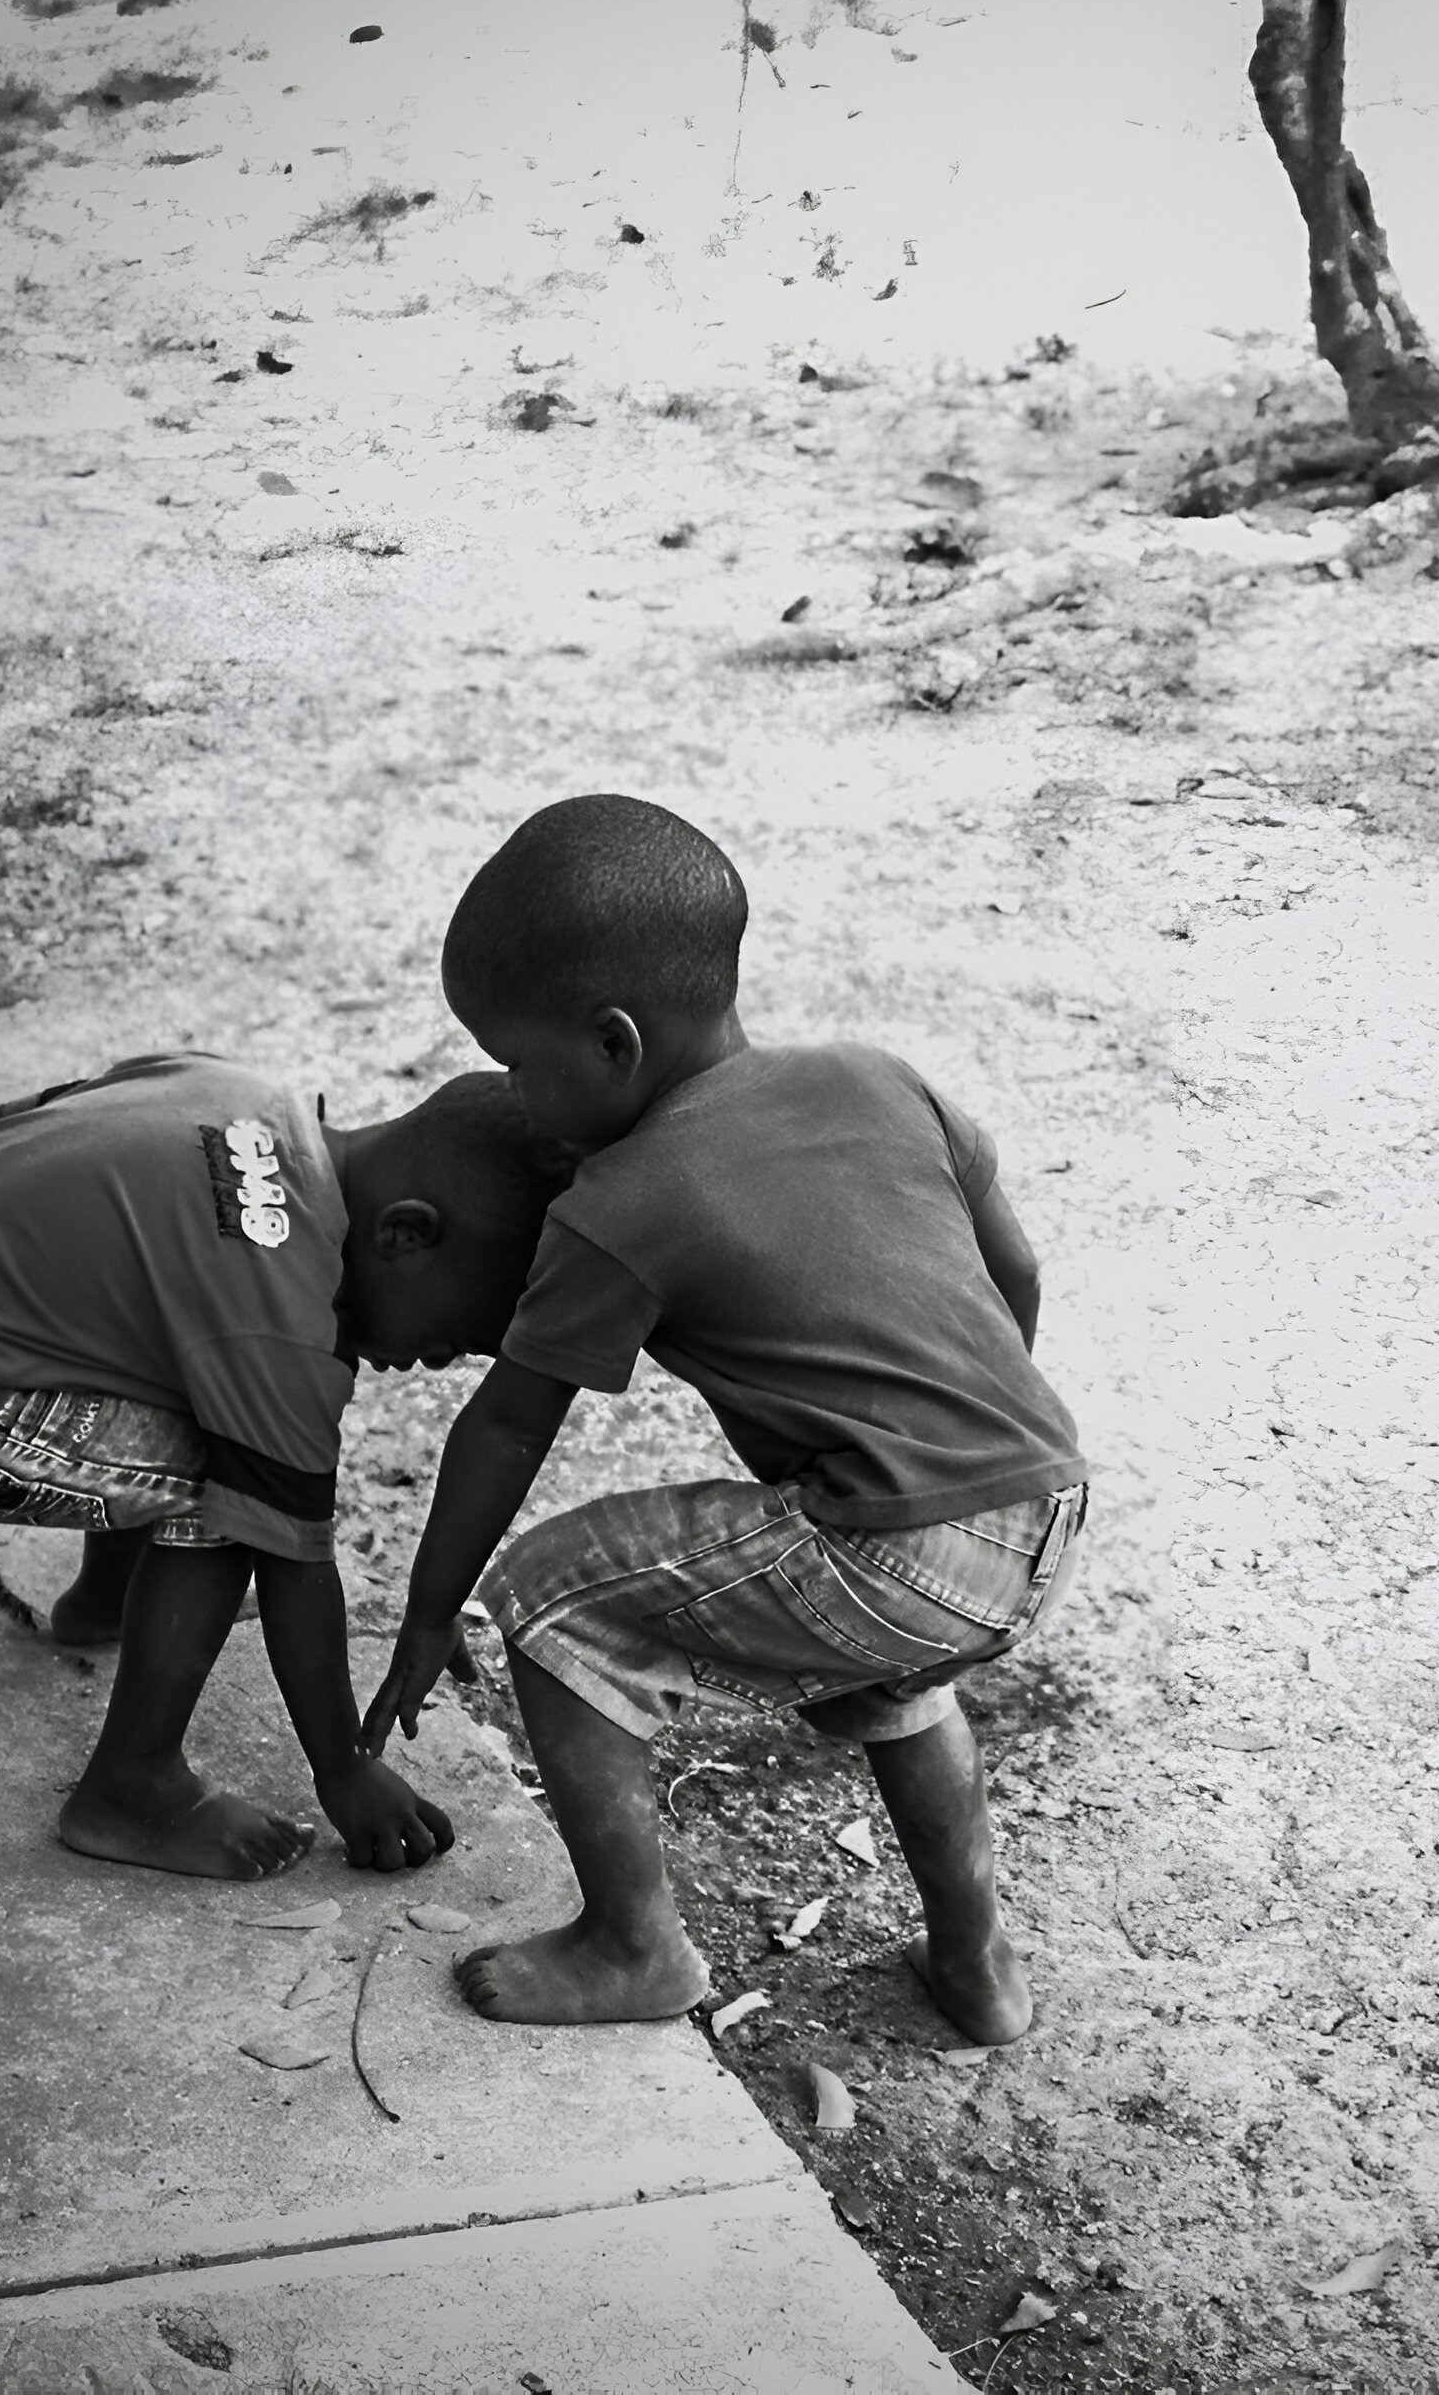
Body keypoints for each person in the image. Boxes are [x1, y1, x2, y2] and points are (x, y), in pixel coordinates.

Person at [357, 795, 1085, 2043]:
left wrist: (432, 1608)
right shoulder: (878, 1076)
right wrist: (959, 1440)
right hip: (1044, 1501)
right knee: (901, 1684)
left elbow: (507, 1424)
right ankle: (978, 1964)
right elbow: (1013, 1273)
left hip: (894, 1539)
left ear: (615, 1043)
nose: (516, 1099)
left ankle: (633, 1945)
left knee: (551, 1597)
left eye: (519, 1065)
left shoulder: (622, 1198)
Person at [0, 1054, 565, 1880]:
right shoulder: (281, 1311)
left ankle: (104, 1604)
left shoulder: (245, 1096)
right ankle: (132, 1786)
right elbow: (292, 1560)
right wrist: (344, 1769)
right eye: (464, 1335)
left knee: (196, 1385)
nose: (439, 1359)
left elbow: (38, 1120)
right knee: (230, 1488)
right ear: (405, 1234)